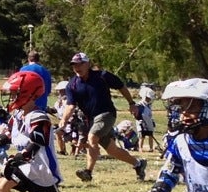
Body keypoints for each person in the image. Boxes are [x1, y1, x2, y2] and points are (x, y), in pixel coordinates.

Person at [0, 69, 84, 192]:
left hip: (41, 168)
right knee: (3, 186)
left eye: (15, 93)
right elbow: (8, 134)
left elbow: (35, 144)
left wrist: (16, 159)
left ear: (27, 93)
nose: (11, 97)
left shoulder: (39, 117)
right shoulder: (18, 115)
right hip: (26, 165)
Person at [56, 52, 146, 184]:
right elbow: (70, 105)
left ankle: (88, 172)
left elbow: (121, 86)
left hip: (107, 114)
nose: (77, 67)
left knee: (92, 137)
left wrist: (132, 103)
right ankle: (138, 164)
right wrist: (64, 120)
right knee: (112, 150)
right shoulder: (72, 85)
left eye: (80, 64)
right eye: (74, 65)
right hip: (91, 119)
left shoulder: (102, 76)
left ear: (88, 64)